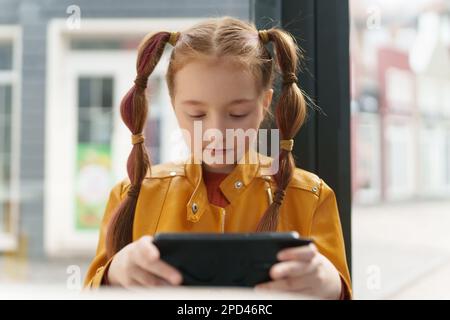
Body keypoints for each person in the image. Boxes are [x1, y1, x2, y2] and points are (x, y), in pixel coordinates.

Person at [83, 16, 352, 299]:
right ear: (174, 107)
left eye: (237, 114)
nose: (217, 132)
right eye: (197, 114)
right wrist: (114, 275)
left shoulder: (311, 197)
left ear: (264, 104)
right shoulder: (132, 195)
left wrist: (331, 285)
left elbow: (337, 288)